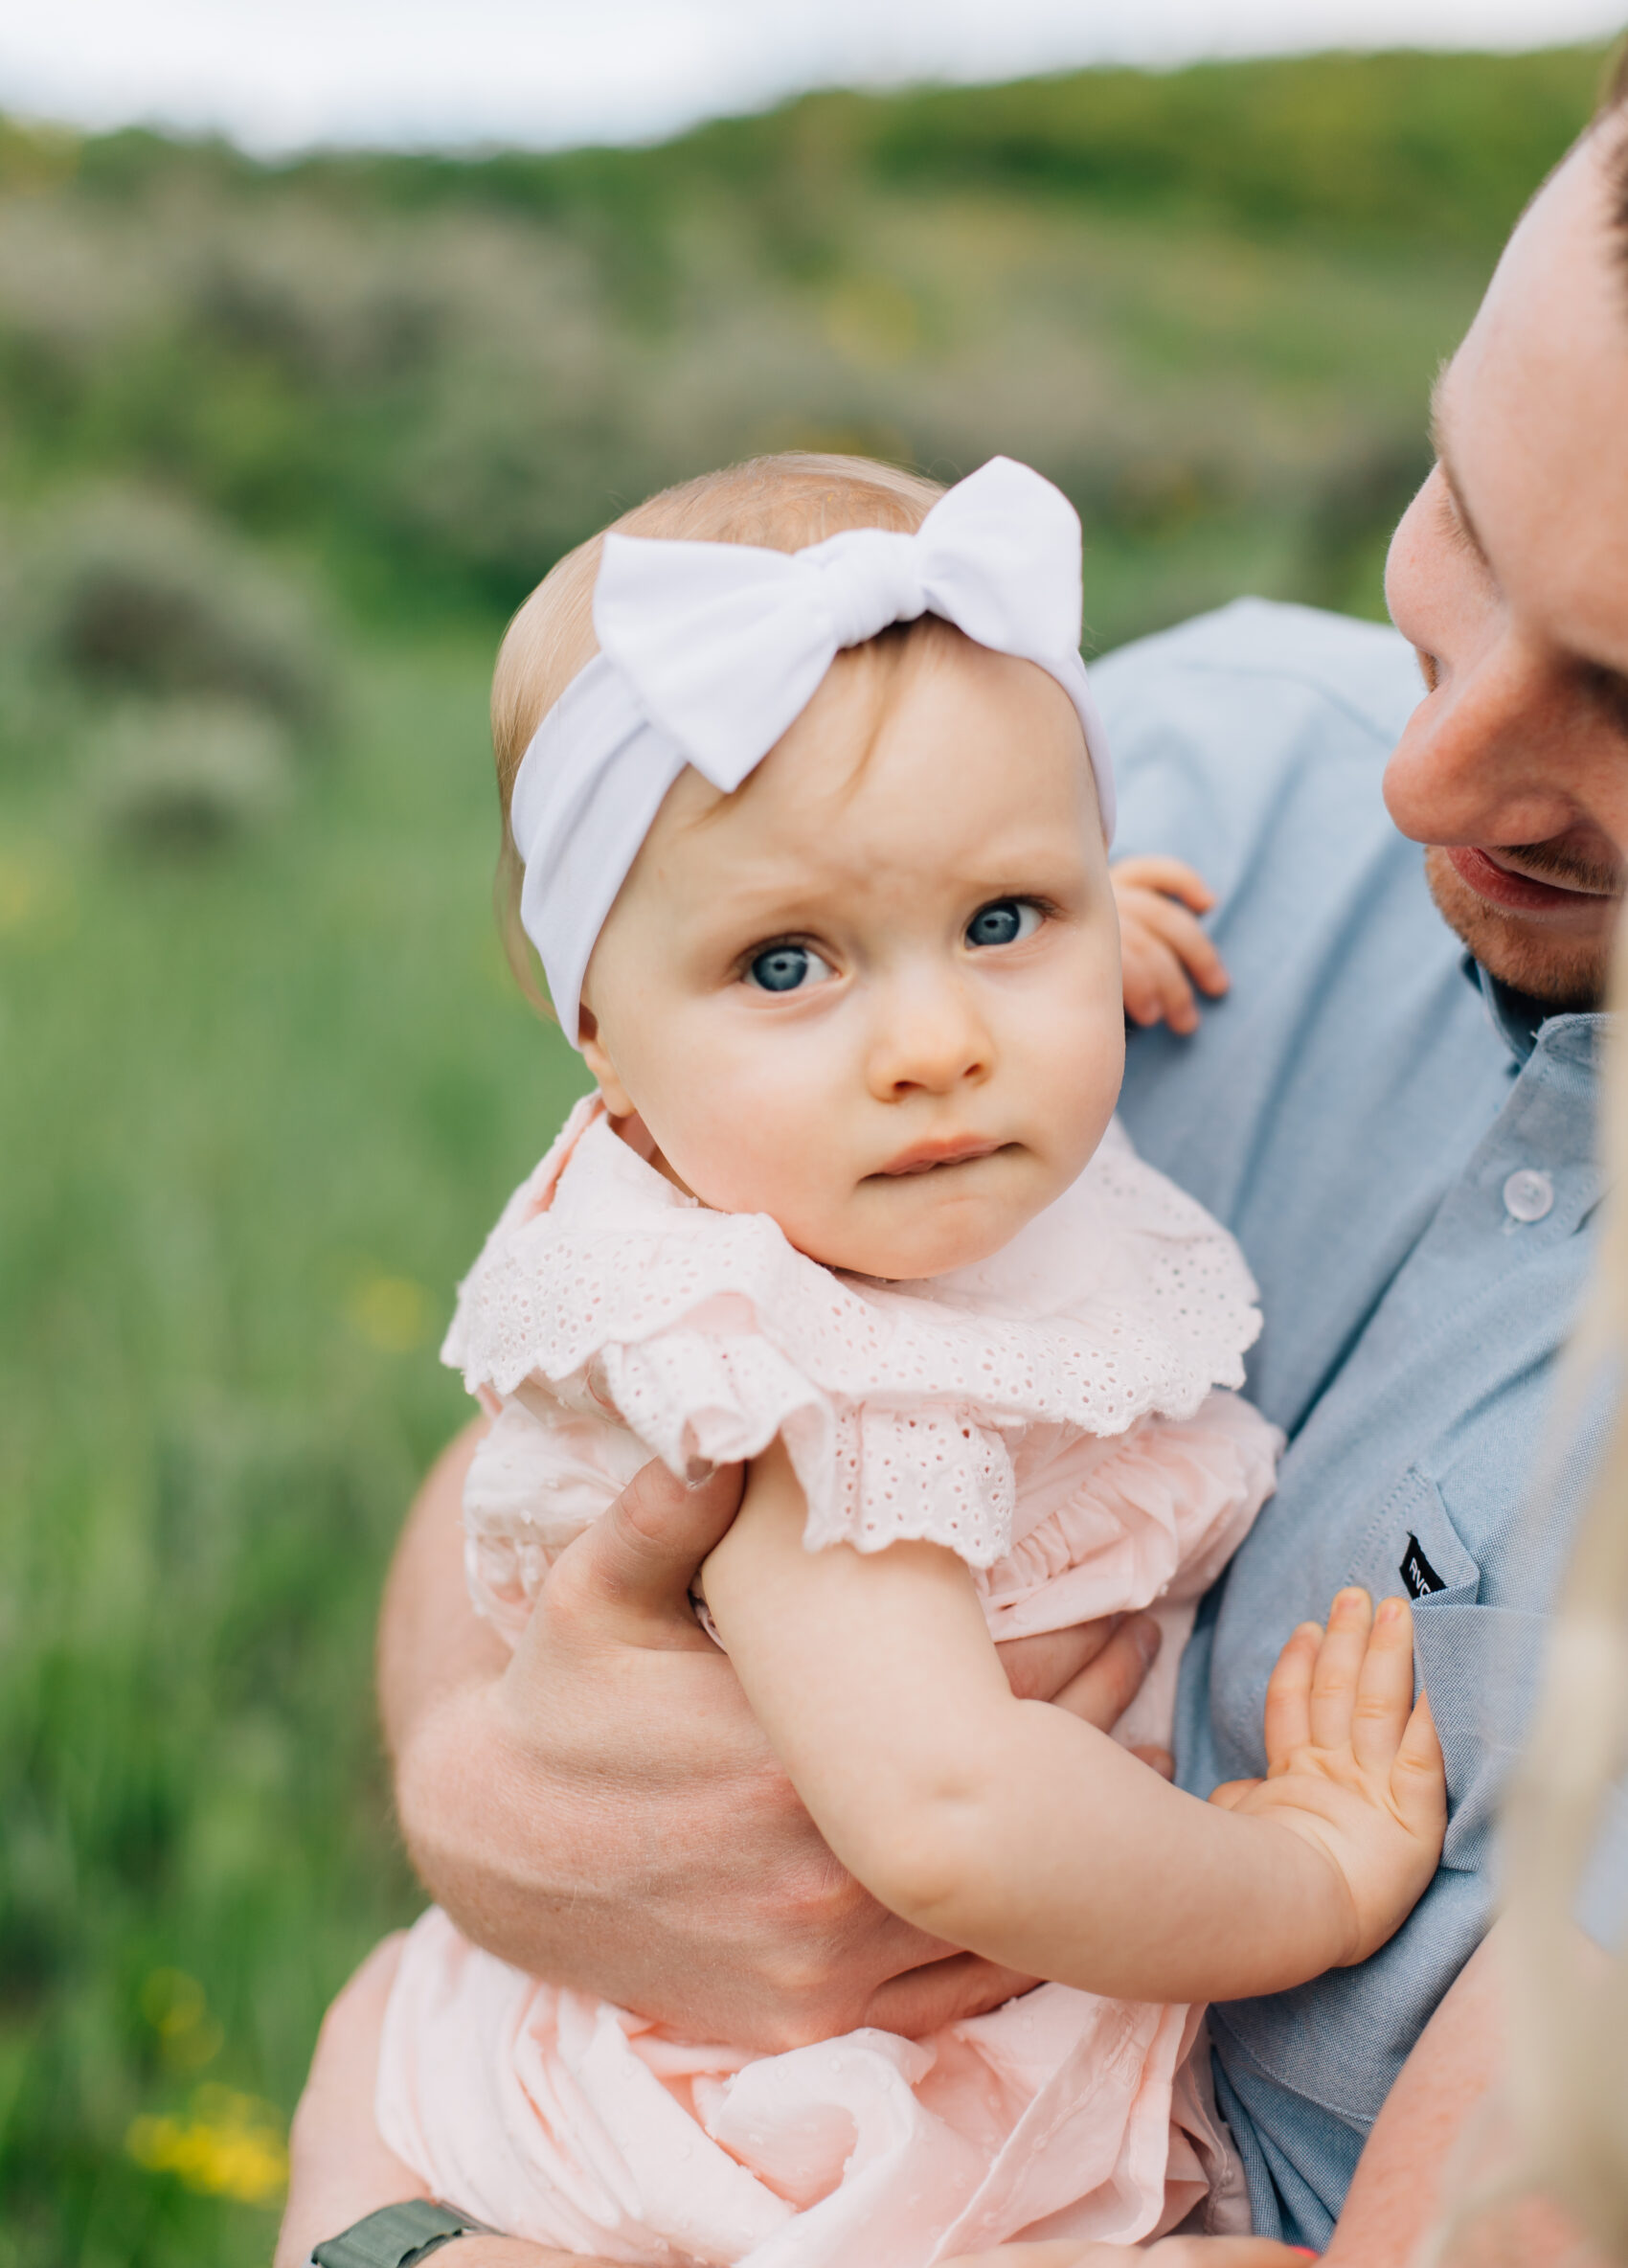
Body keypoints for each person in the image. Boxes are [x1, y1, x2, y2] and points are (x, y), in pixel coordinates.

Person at [279, 61, 1628, 2268]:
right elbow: (539, 1518)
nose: (1426, 769)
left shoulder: (1043, 855)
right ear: (599, 1057)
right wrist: (497, 1791)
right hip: (782, 2144)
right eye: (1462, 510)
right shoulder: (1118, 772)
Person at [328, 450, 1447, 2266]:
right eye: (789, 964)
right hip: (799, 2118)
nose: (935, 1043)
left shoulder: (849, 1155)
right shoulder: (801, 1378)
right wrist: (1306, 1879)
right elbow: (945, 1813)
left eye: (1003, 920)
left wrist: (1085, 932)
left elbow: (942, 927)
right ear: (597, 1034)